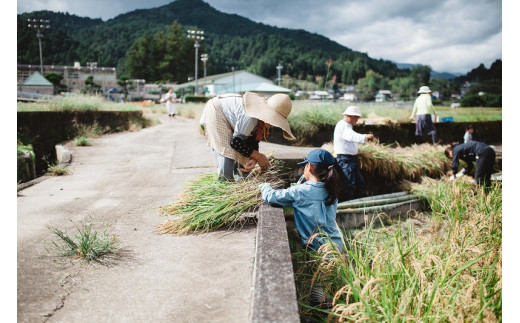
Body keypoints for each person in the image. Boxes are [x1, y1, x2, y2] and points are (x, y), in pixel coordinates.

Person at [260, 149, 343, 252]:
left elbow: (271, 197)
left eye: (305, 165)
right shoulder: (331, 189)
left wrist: (264, 186)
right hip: (337, 245)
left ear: (310, 167)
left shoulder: (301, 191)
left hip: (319, 249)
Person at [201, 91, 296, 181]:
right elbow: (236, 143)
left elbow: (252, 140)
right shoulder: (251, 117)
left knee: (245, 158)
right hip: (216, 111)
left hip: (229, 117)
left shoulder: (260, 120)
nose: (273, 124)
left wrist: (254, 158)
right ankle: (224, 183)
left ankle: (240, 182)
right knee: (227, 156)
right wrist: (259, 157)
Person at [333, 106, 375, 202]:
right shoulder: (343, 125)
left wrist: (356, 150)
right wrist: (365, 137)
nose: (357, 120)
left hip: (351, 159)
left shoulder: (347, 126)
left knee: (359, 182)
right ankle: (348, 204)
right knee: (350, 184)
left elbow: (349, 141)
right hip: (345, 160)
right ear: (350, 116)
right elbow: (351, 136)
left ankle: (357, 202)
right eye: (356, 118)